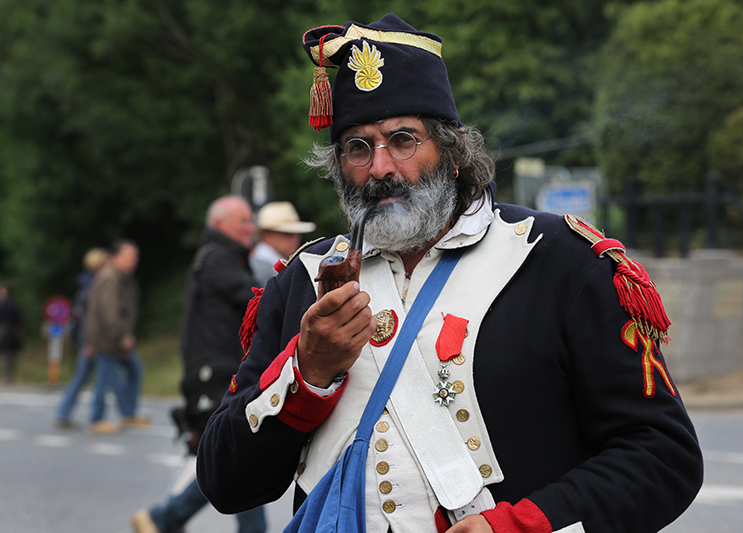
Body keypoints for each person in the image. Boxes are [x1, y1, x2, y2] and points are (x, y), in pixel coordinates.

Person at [197, 14, 703, 533]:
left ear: (453, 151)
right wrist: (307, 372)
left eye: (402, 139)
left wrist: (521, 526)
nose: (380, 168)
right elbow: (226, 483)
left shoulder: (562, 261)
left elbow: (661, 456)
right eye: (358, 147)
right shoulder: (302, 281)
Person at [131, 195, 267, 533]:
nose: (252, 227)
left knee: (229, 457)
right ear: (220, 224)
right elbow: (255, 299)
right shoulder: (220, 259)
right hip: (217, 374)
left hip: (216, 372)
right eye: (243, 221)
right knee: (238, 456)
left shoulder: (221, 257)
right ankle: (166, 517)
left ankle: (166, 518)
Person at [83, 239, 149, 434]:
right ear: (115, 257)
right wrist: (122, 335)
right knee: (104, 379)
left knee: (134, 370)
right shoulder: (110, 279)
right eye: (129, 256)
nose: (133, 261)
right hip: (108, 339)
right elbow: (109, 312)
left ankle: (128, 414)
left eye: (135, 257)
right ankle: (97, 419)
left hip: (113, 338)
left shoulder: (122, 277)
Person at [55, 247, 110, 429]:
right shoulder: (94, 284)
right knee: (97, 376)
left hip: (85, 337)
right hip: (91, 339)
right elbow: (90, 316)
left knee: (84, 376)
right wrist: (90, 341)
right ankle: (96, 417)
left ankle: (64, 412)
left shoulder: (85, 283)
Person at [250, 201, 316, 287]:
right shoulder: (263, 270)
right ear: (267, 235)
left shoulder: (261, 263)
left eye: (297, 233)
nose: (294, 238)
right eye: (287, 233)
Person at [0, 283, 24, 384]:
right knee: (8, 354)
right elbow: (19, 320)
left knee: (7, 353)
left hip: (4, 329)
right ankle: (8, 376)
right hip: (11, 330)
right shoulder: (14, 304)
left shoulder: (4, 304)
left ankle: (7, 376)